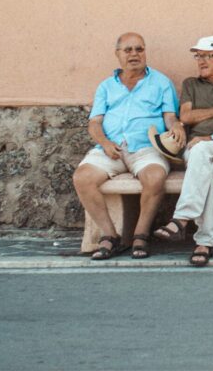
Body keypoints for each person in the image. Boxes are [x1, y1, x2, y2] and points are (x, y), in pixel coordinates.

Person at [72, 32, 183, 260]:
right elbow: (94, 123)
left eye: (139, 49)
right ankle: (110, 236)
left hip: (146, 148)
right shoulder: (106, 86)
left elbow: (170, 116)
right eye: (128, 50)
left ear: (145, 52)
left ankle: (140, 235)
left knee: (154, 177)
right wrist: (104, 143)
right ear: (118, 54)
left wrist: (177, 127)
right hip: (110, 147)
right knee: (82, 178)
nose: (134, 54)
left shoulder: (161, 83)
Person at [151, 36, 213, 267]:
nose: (201, 61)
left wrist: (212, 136)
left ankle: (182, 218)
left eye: (207, 56)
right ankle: (204, 243)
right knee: (206, 167)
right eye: (198, 56)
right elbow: (186, 117)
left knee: (202, 151)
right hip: (195, 149)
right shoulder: (190, 84)